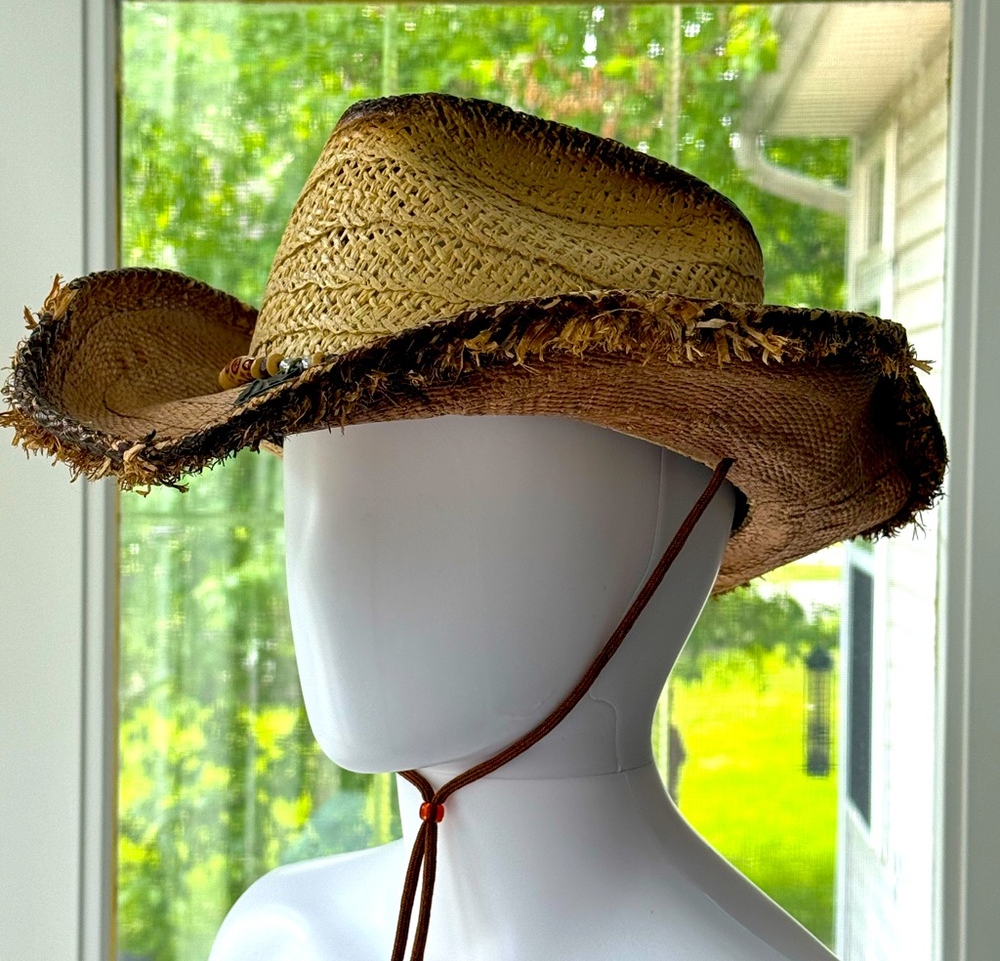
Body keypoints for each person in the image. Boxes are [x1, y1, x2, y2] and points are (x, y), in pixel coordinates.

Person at [2, 93, 946, 960]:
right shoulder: (280, 937)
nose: (326, 559)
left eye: (427, 493)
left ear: (687, 531)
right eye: (308, 486)